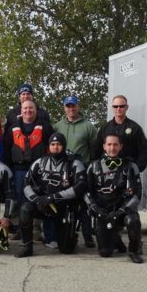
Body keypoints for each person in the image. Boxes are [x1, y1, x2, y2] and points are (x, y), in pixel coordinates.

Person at [14, 132, 86, 257]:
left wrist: (53, 197)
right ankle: (27, 247)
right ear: (49, 146)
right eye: (53, 144)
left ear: (64, 146)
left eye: (59, 144)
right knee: (25, 209)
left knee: (66, 250)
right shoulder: (40, 162)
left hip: (63, 207)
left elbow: (80, 187)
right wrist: (36, 199)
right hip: (42, 204)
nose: (55, 147)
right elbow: (26, 183)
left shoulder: (74, 164)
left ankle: (71, 237)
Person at [85, 133, 144, 263]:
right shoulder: (93, 166)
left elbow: (137, 194)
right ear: (104, 146)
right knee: (105, 253)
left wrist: (121, 211)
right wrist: (95, 208)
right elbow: (87, 192)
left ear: (121, 146)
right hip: (103, 212)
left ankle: (134, 250)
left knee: (133, 220)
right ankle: (115, 238)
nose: (112, 148)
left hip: (123, 211)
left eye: (115, 144)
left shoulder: (131, 166)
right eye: (109, 144)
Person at [53, 94, 98, 248]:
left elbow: (94, 151)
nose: (71, 109)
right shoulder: (57, 126)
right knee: (61, 201)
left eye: (73, 105)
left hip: (82, 170)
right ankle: (59, 235)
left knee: (83, 203)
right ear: (64, 108)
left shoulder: (88, 127)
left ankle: (87, 236)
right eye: (68, 106)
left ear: (78, 106)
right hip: (62, 171)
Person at [2, 99, 52, 238]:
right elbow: (6, 149)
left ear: (36, 110)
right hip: (19, 170)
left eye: (31, 108)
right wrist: (9, 168)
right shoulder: (13, 127)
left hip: (40, 171)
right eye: (25, 108)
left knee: (40, 199)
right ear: (21, 110)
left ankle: (38, 231)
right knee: (20, 200)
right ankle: (21, 231)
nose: (28, 110)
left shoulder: (45, 127)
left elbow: (52, 147)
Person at [92, 94, 147, 169]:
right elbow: (96, 149)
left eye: (121, 106)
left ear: (127, 107)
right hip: (107, 169)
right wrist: (96, 167)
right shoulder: (105, 128)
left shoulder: (135, 128)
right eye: (115, 106)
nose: (118, 109)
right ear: (112, 108)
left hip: (128, 170)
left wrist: (137, 168)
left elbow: (144, 150)